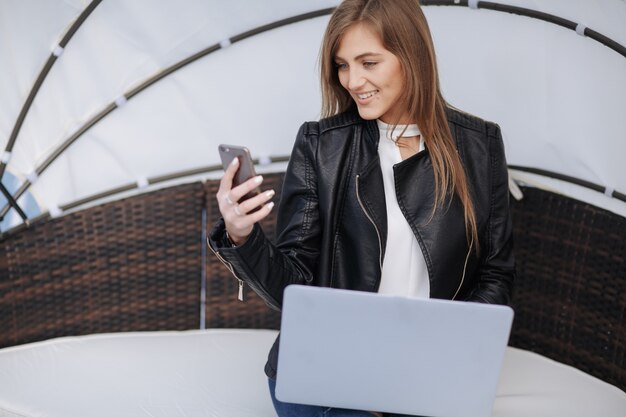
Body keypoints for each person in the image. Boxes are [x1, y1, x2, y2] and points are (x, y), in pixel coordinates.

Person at [209, 0, 515, 415]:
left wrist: (446, 352)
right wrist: (242, 235)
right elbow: (293, 286)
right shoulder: (322, 145)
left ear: (412, 57)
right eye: (342, 65)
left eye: (369, 62)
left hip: (427, 371)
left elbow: (495, 273)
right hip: (325, 370)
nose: (353, 81)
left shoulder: (480, 145)